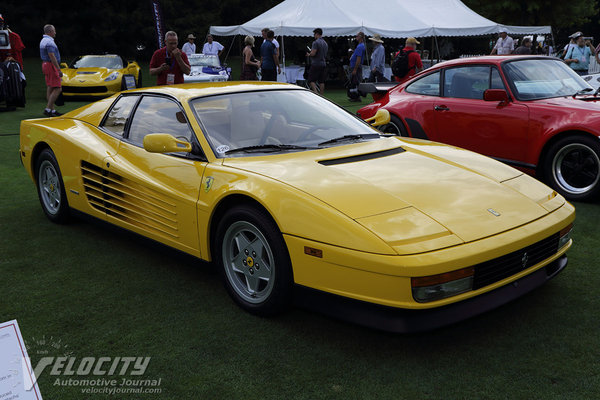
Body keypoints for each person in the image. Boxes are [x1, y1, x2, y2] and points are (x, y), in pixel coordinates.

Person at [39, 24, 62, 117]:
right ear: (50, 32)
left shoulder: (43, 40)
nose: (55, 32)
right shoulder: (50, 42)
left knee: (50, 87)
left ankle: (52, 110)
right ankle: (48, 109)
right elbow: (52, 56)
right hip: (50, 65)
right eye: (54, 31)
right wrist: (58, 69)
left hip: (45, 64)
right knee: (58, 88)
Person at [306, 28, 328, 93]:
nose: (314, 35)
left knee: (311, 80)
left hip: (316, 63)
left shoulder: (315, 42)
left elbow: (313, 53)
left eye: (314, 34)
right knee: (321, 81)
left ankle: (316, 92)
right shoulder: (325, 43)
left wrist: (309, 54)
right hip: (323, 63)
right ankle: (321, 95)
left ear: (317, 34)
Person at [348, 31, 366, 102]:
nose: (356, 37)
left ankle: (357, 96)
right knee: (355, 81)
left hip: (356, 66)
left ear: (360, 37)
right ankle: (355, 96)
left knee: (356, 82)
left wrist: (355, 69)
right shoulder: (360, 46)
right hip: (355, 66)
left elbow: (358, 59)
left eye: (357, 36)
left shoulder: (360, 46)